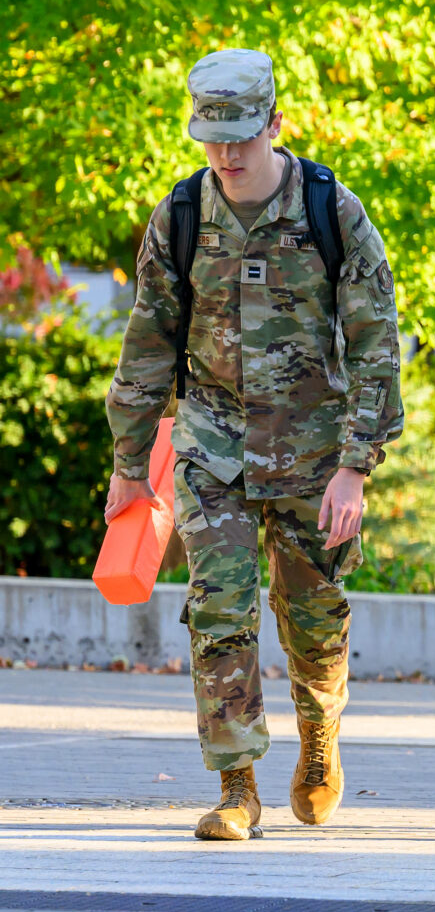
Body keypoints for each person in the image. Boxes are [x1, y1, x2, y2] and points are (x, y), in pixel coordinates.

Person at [105, 48, 403, 841]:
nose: (229, 154)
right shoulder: (178, 218)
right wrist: (130, 465)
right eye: (213, 137)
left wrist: (355, 467)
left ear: (276, 123)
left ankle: (319, 735)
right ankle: (237, 784)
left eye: (242, 135)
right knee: (219, 610)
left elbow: (376, 345)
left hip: (314, 453)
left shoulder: (330, 210)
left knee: (314, 618)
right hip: (214, 449)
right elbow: (147, 345)